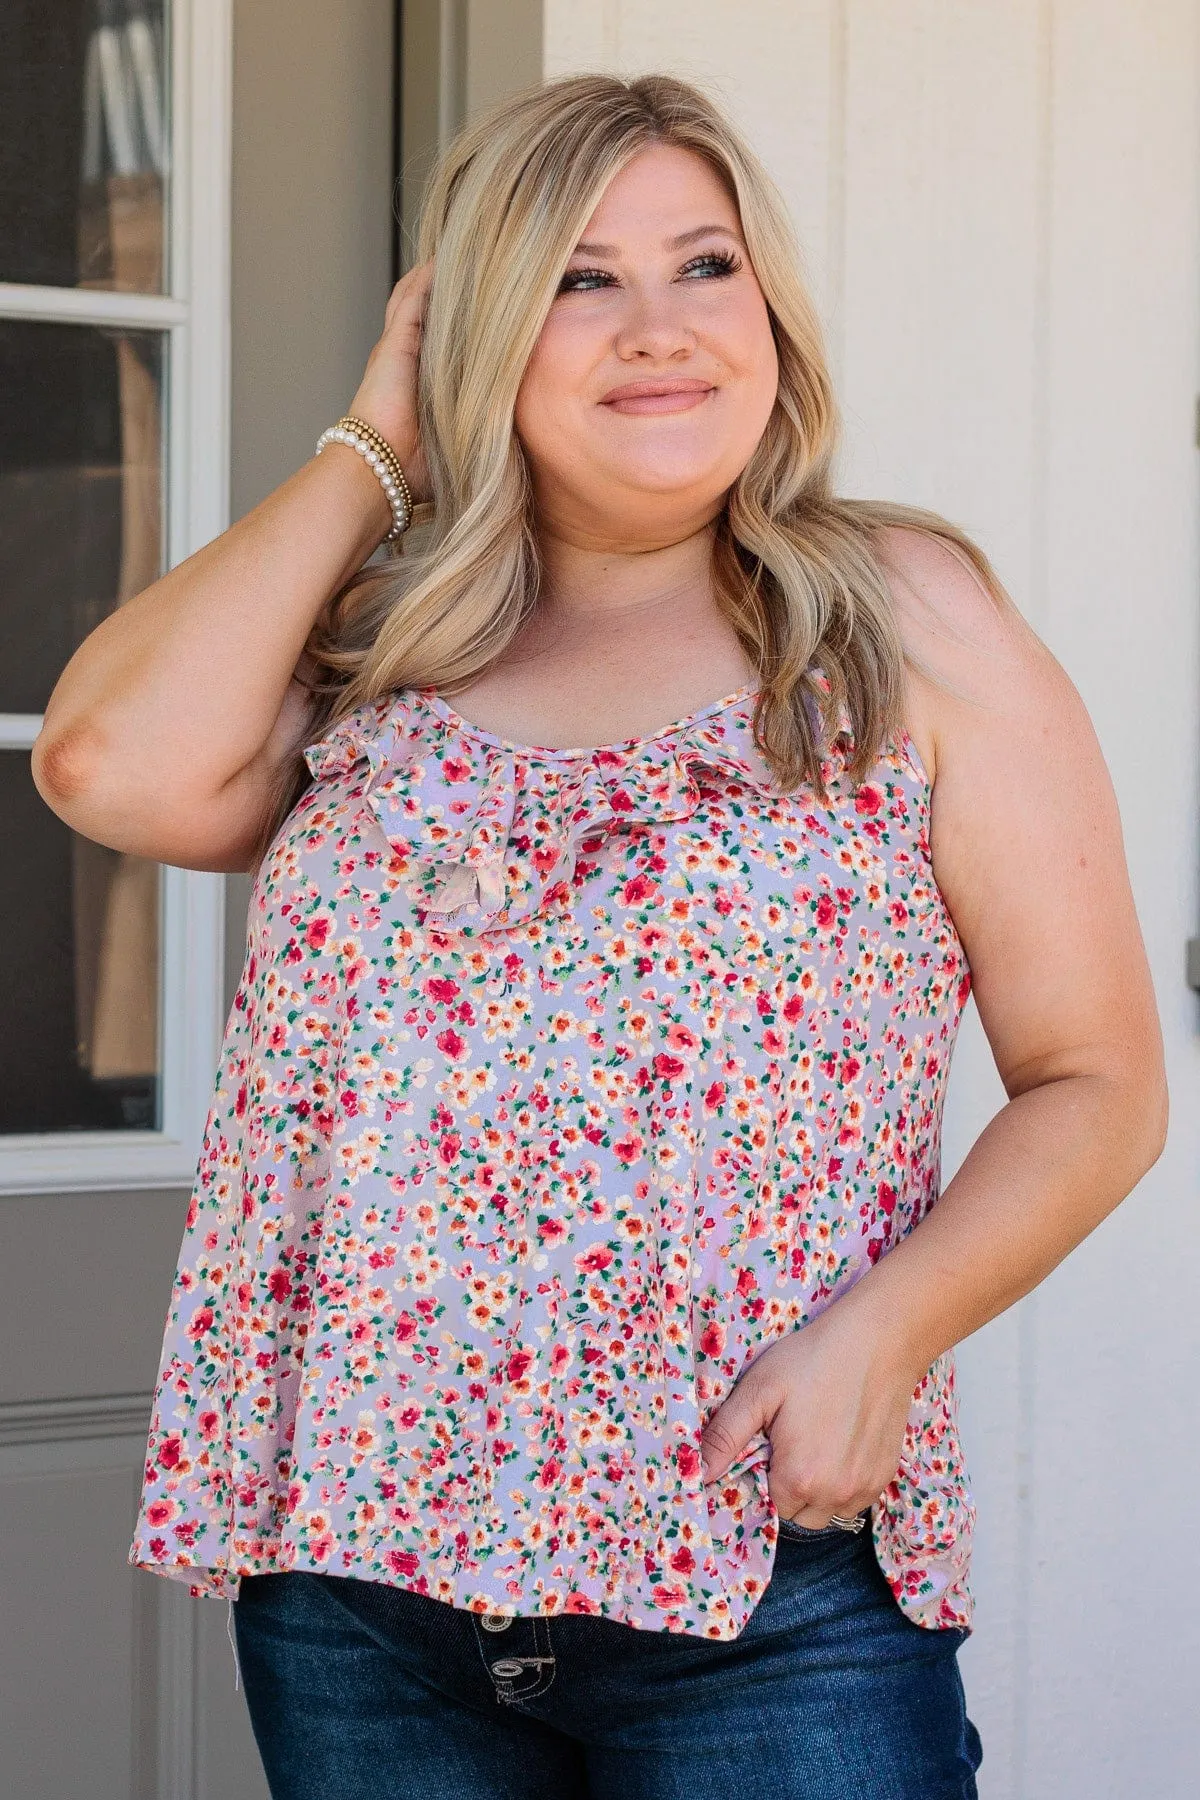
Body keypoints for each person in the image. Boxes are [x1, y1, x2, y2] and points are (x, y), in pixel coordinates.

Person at [33, 70, 1166, 1800]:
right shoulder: (371, 656)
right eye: (577, 276)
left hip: (762, 1587)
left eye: (706, 266)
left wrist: (886, 1334)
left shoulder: (901, 620)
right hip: (362, 1589)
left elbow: (1097, 1082)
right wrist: (377, 447)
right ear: (479, 327)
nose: (659, 328)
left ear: (770, 313)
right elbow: (106, 763)